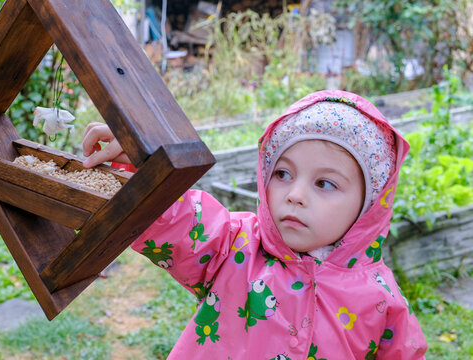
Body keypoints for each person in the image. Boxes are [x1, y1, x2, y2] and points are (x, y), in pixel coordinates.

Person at [82, 90, 427, 359]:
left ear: (368, 206)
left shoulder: (381, 299)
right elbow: (176, 219)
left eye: (324, 183)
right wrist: (141, 170)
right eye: (283, 173)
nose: (294, 194)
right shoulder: (235, 247)